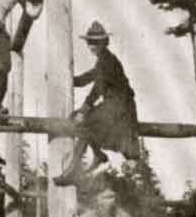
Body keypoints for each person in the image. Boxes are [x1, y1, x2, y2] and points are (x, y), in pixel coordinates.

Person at [54, 21, 140, 186]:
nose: (92, 46)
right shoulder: (104, 60)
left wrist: (83, 111)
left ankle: (74, 169)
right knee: (82, 120)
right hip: (116, 106)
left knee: (83, 120)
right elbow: (88, 78)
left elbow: (97, 90)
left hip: (119, 107)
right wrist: (66, 79)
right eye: (89, 42)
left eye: (96, 42)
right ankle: (96, 155)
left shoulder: (107, 62)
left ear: (104, 42)